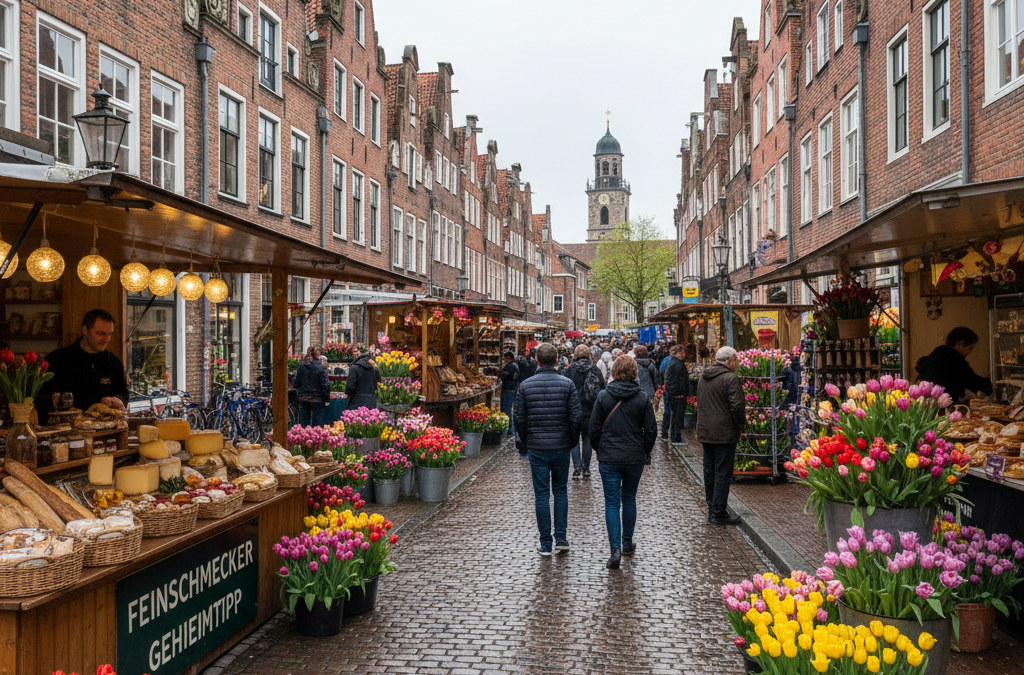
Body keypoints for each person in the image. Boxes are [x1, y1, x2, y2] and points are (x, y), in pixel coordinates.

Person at [514, 343, 582, 556]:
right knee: (560, 491)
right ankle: (560, 538)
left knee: (541, 495)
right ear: (556, 361)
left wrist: (526, 441)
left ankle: (545, 543)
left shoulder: (525, 386)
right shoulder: (567, 384)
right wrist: (571, 441)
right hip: (561, 445)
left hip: (537, 446)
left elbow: (519, 418)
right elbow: (575, 417)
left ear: (536, 359)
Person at [589, 355, 657, 569]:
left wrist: (599, 448)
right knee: (629, 498)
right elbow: (652, 430)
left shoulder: (603, 396)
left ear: (614, 372)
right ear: (635, 373)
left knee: (611, 502)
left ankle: (615, 549)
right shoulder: (643, 398)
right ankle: (627, 542)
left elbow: (594, 428)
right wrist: (645, 449)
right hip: (634, 456)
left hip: (609, 457)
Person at [36, 309, 129, 421]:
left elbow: (123, 393)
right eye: (100, 334)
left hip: (103, 429)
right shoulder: (57, 359)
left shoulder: (114, 362)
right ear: (85, 330)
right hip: (65, 430)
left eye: (110, 334)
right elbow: (38, 396)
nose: (106, 339)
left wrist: (116, 399)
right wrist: (54, 400)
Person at [696, 347, 745, 525]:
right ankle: (718, 512)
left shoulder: (704, 376)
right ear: (730, 360)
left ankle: (712, 507)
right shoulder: (730, 378)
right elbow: (737, 407)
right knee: (723, 472)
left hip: (706, 431)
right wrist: (740, 425)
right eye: (735, 361)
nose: (736, 364)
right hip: (724, 432)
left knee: (709, 471)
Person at [915, 326, 993, 403]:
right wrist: (994, 384)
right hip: (942, 406)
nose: (970, 351)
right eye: (971, 347)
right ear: (960, 344)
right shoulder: (953, 359)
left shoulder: (937, 356)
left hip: (925, 405)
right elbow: (973, 382)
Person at [564, 345, 605, 478]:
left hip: (573, 410)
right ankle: (586, 468)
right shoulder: (595, 369)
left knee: (574, 440)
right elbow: (603, 389)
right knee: (587, 439)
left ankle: (577, 467)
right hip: (590, 410)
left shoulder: (570, 369)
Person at [294, 346, 331, 427]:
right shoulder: (321, 368)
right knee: (317, 425)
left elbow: (296, 383)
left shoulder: (301, 367)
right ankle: (315, 438)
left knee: (304, 424)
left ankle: (304, 439)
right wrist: (326, 399)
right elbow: (326, 385)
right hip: (317, 399)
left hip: (303, 398)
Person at [664, 345, 691, 443]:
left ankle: (675, 436)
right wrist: (678, 393)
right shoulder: (677, 364)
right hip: (678, 394)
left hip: (675, 394)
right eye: (683, 352)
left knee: (676, 416)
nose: (684, 354)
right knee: (677, 416)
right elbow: (677, 380)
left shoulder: (673, 363)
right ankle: (675, 437)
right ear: (679, 353)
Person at [499, 351, 520, 435]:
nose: (504, 360)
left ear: (508, 358)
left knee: (507, 408)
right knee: (507, 408)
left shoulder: (511, 366)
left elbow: (509, 376)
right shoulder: (512, 365)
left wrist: (500, 373)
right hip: (509, 388)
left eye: (505, 358)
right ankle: (509, 428)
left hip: (508, 388)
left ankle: (509, 429)